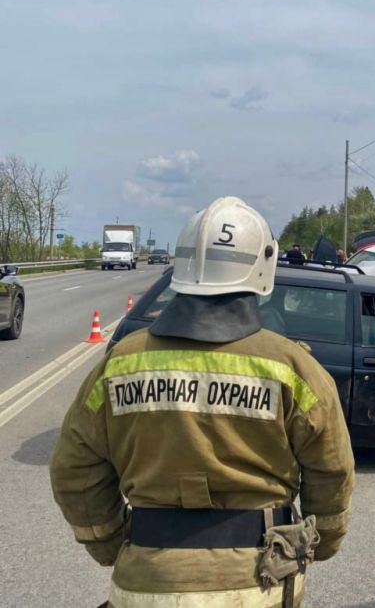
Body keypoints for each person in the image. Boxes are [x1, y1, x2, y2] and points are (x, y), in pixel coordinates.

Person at [50, 196, 355, 607]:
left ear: (183, 265)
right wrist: (320, 543)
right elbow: (332, 468)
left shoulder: (120, 363)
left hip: (148, 578)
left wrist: (111, 543)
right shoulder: (292, 368)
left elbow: (74, 468)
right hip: (260, 582)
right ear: (263, 266)